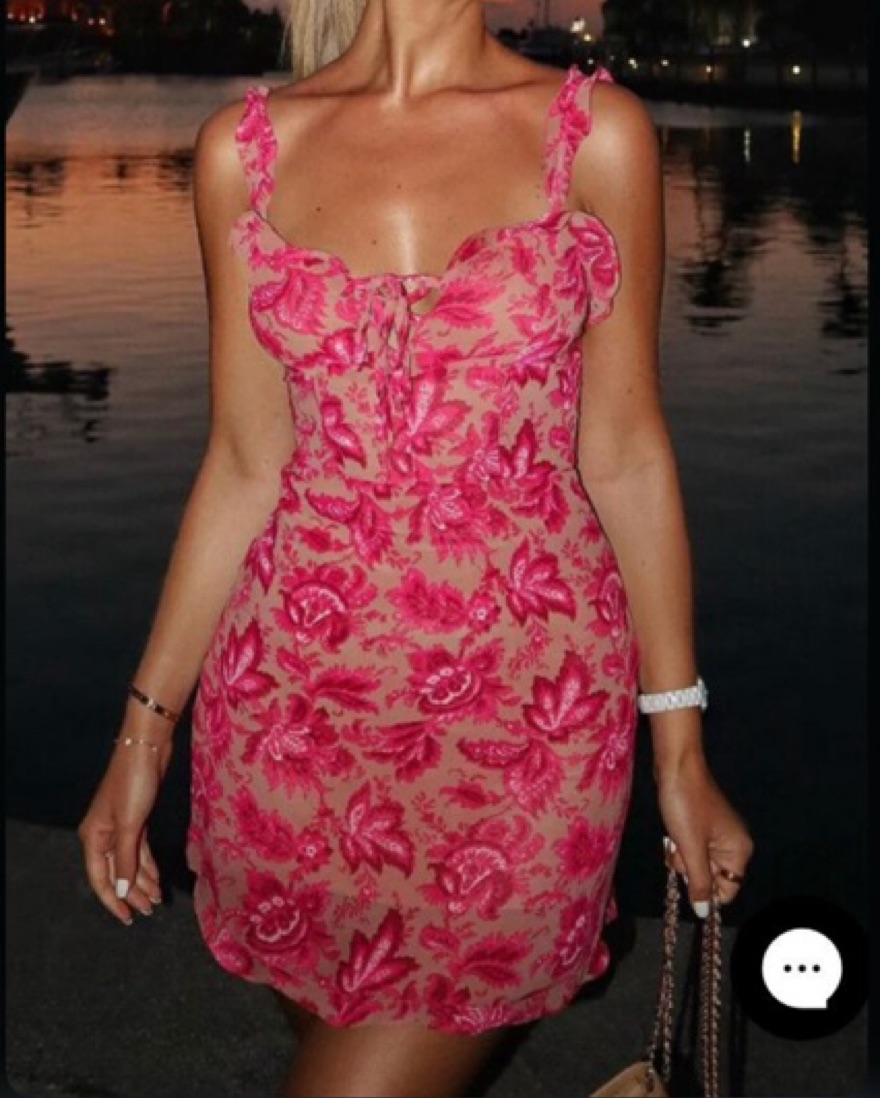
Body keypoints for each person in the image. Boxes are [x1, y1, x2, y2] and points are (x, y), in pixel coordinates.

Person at [77, 2, 754, 1095]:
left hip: (527, 733)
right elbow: (245, 464)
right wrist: (142, 734)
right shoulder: (242, 152)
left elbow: (626, 455)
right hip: (290, 726)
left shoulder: (597, 135)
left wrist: (680, 747)